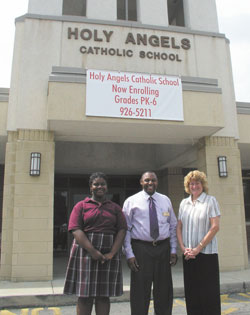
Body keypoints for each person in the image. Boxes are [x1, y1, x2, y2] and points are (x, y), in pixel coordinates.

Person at [63, 172, 127, 315]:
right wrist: (93, 251)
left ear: (107, 187)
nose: (100, 186)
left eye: (102, 184)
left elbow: (122, 230)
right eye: (96, 184)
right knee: (85, 295)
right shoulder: (81, 206)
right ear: (90, 187)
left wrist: (112, 253)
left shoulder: (115, 208)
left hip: (108, 253)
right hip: (85, 252)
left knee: (103, 295)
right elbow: (75, 229)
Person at [123, 171, 178, 315]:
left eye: (153, 180)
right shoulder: (131, 201)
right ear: (141, 182)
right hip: (141, 249)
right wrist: (129, 254)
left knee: (164, 290)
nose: (150, 183)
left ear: (157, 182)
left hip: (163, 249)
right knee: (140, 292)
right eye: (147, 180)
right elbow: (125, 229)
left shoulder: (165, 200)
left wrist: (173, 250)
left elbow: (172, 226)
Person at [176, 170, 221, 315]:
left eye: (197, 183)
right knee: (192, 293)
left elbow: (215, 227)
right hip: (189, 255)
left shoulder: (210, 201)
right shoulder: (184, 203)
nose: (194, 186)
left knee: (209, 295)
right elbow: (179, 226)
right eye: (191, 184)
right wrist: (183, 248)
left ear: (203, 185)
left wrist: (198, 248)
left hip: (206, 255)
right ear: (188, 186)